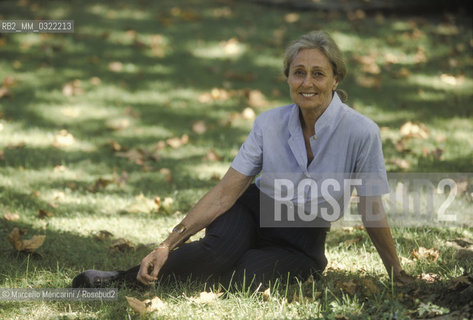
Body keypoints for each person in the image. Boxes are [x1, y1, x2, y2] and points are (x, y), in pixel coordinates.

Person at [72, 30, 411, 289]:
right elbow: (225, 193)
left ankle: (222, 264)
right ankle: (122, 278)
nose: (307, 83)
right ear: (288, 78)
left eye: (318, 74)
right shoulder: (268, 123)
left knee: (242, 277)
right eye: (298, 72)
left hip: (302, 239)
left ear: (336, 79)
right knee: (214, 253)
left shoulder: (362, 132)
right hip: (253, 208)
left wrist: (396, 272)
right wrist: (167, 244)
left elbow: (371, 209)